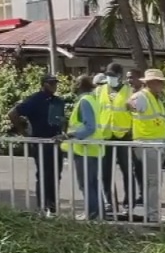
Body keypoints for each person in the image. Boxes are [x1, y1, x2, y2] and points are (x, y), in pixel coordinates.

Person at [10, 74, 66, 215]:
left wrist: (64, 132)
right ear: (44, 84)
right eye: (51, 83)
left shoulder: (58, 101)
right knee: (43, 175)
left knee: (55, 175)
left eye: (55, 83)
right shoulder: (35, 99)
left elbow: (62, 120)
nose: (54, 86)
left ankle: (52, 207)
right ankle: (42, 207)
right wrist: (24, 133)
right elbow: (13, 113)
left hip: (55, 142)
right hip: (40, 142)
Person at [61, 74, 108, 219]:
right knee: (93, 183)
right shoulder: (93, 99)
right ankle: (98, 214)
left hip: (85, 148)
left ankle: (93, 214)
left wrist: (70, 135)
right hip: (93, 148)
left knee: (86, 184)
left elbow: (90, 128)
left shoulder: (85, 101)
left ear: (80, 85)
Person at [127, 68, 165, 222]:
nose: (162, 86)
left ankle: (151, 213)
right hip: (148, 145)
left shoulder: (154, 98)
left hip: (155, 146)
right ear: (151, 83)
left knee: (153, 181)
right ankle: (152, 215)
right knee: (153, 181)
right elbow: (130, 104)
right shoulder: (143, 97)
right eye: (159, 83)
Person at [97, 63, 134, 215]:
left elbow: (134, 113)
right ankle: (108, 202)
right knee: (105, 172)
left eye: (113, 75)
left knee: (127, 171)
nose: (110, 78)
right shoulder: (100, 90)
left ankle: (128, 203)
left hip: (123, 135)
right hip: (105, 135)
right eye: (108, 75)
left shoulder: (129, 91)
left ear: (120, 76)